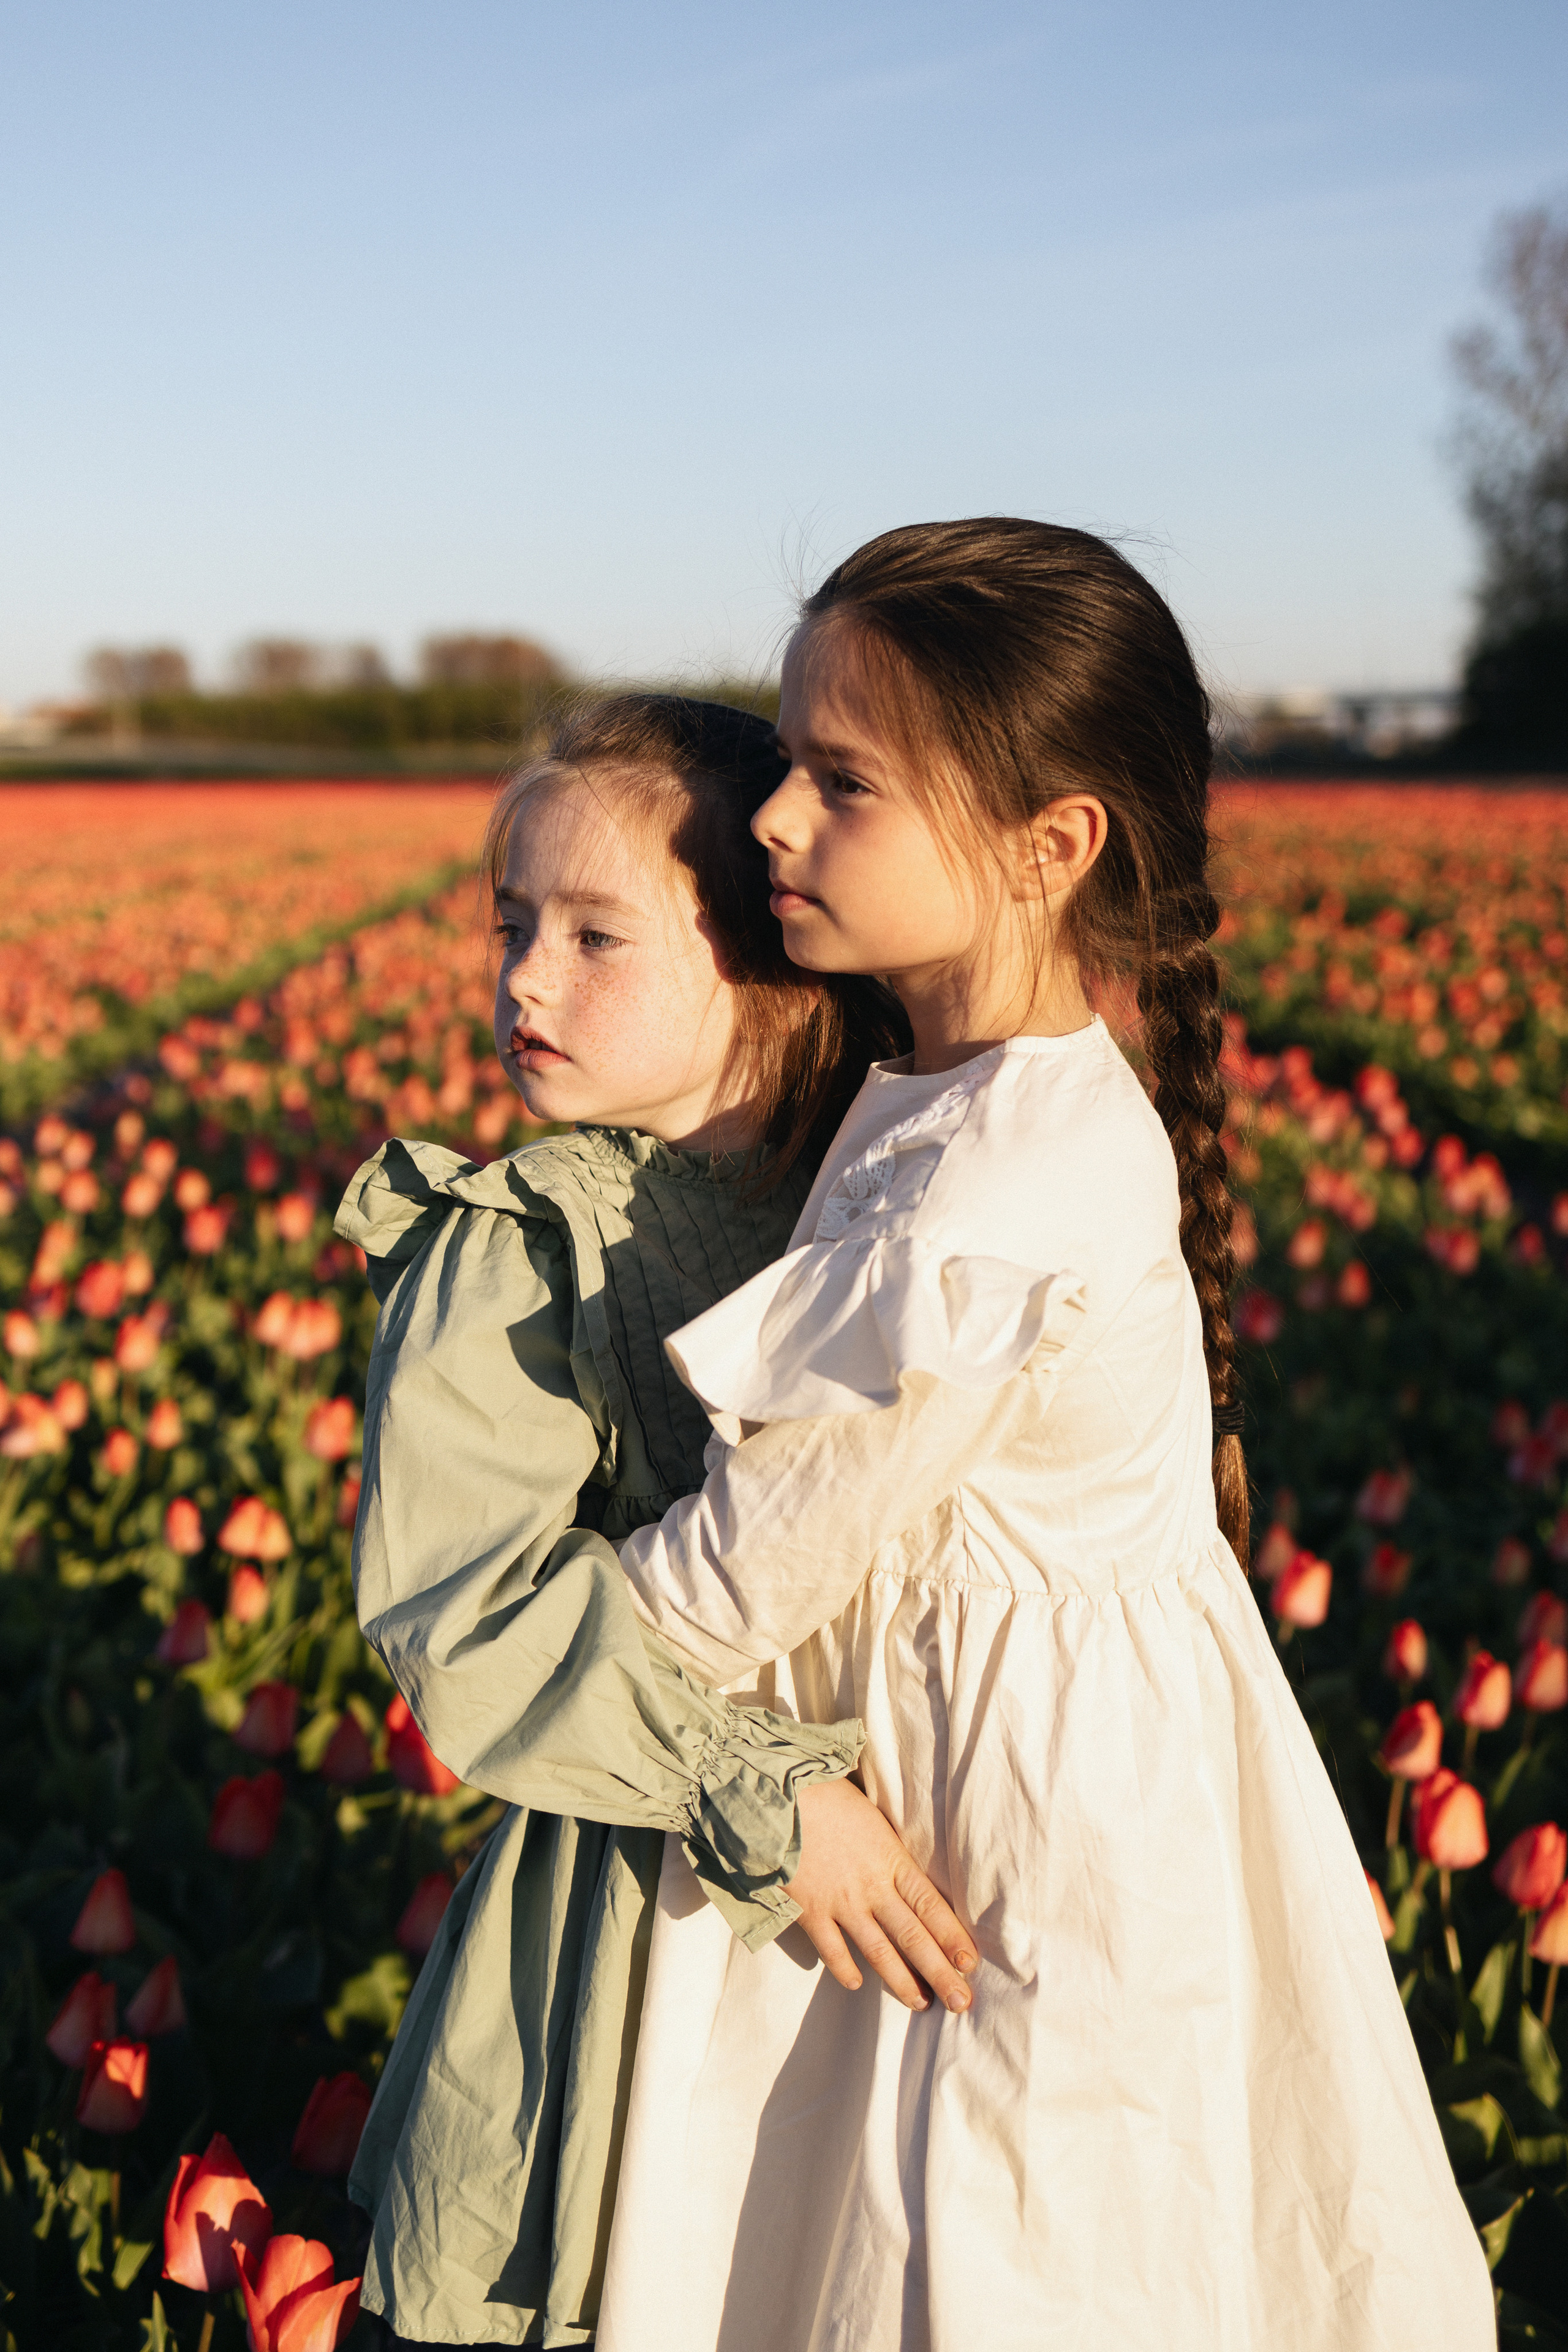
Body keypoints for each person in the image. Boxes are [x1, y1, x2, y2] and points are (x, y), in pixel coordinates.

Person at [581, 524, 1495, 2350]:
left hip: (986, 1860)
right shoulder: (964, 1086)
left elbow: (717, 1597)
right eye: (788, 765)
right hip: (1003, 1801)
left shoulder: (990, 1194)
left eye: (841, 783)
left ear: (1049, 843)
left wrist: (505, 1609)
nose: (771, 820)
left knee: (994, 2257)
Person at [339, 695, 978, 2350]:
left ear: (762, 960)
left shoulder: (891, 1187)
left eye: (593, 934)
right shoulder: (520, 1247)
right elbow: (471, 1616)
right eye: (512, 928)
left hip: (908, 1876)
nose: (522, 981)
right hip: (646, 1889)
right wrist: (762, 1791)